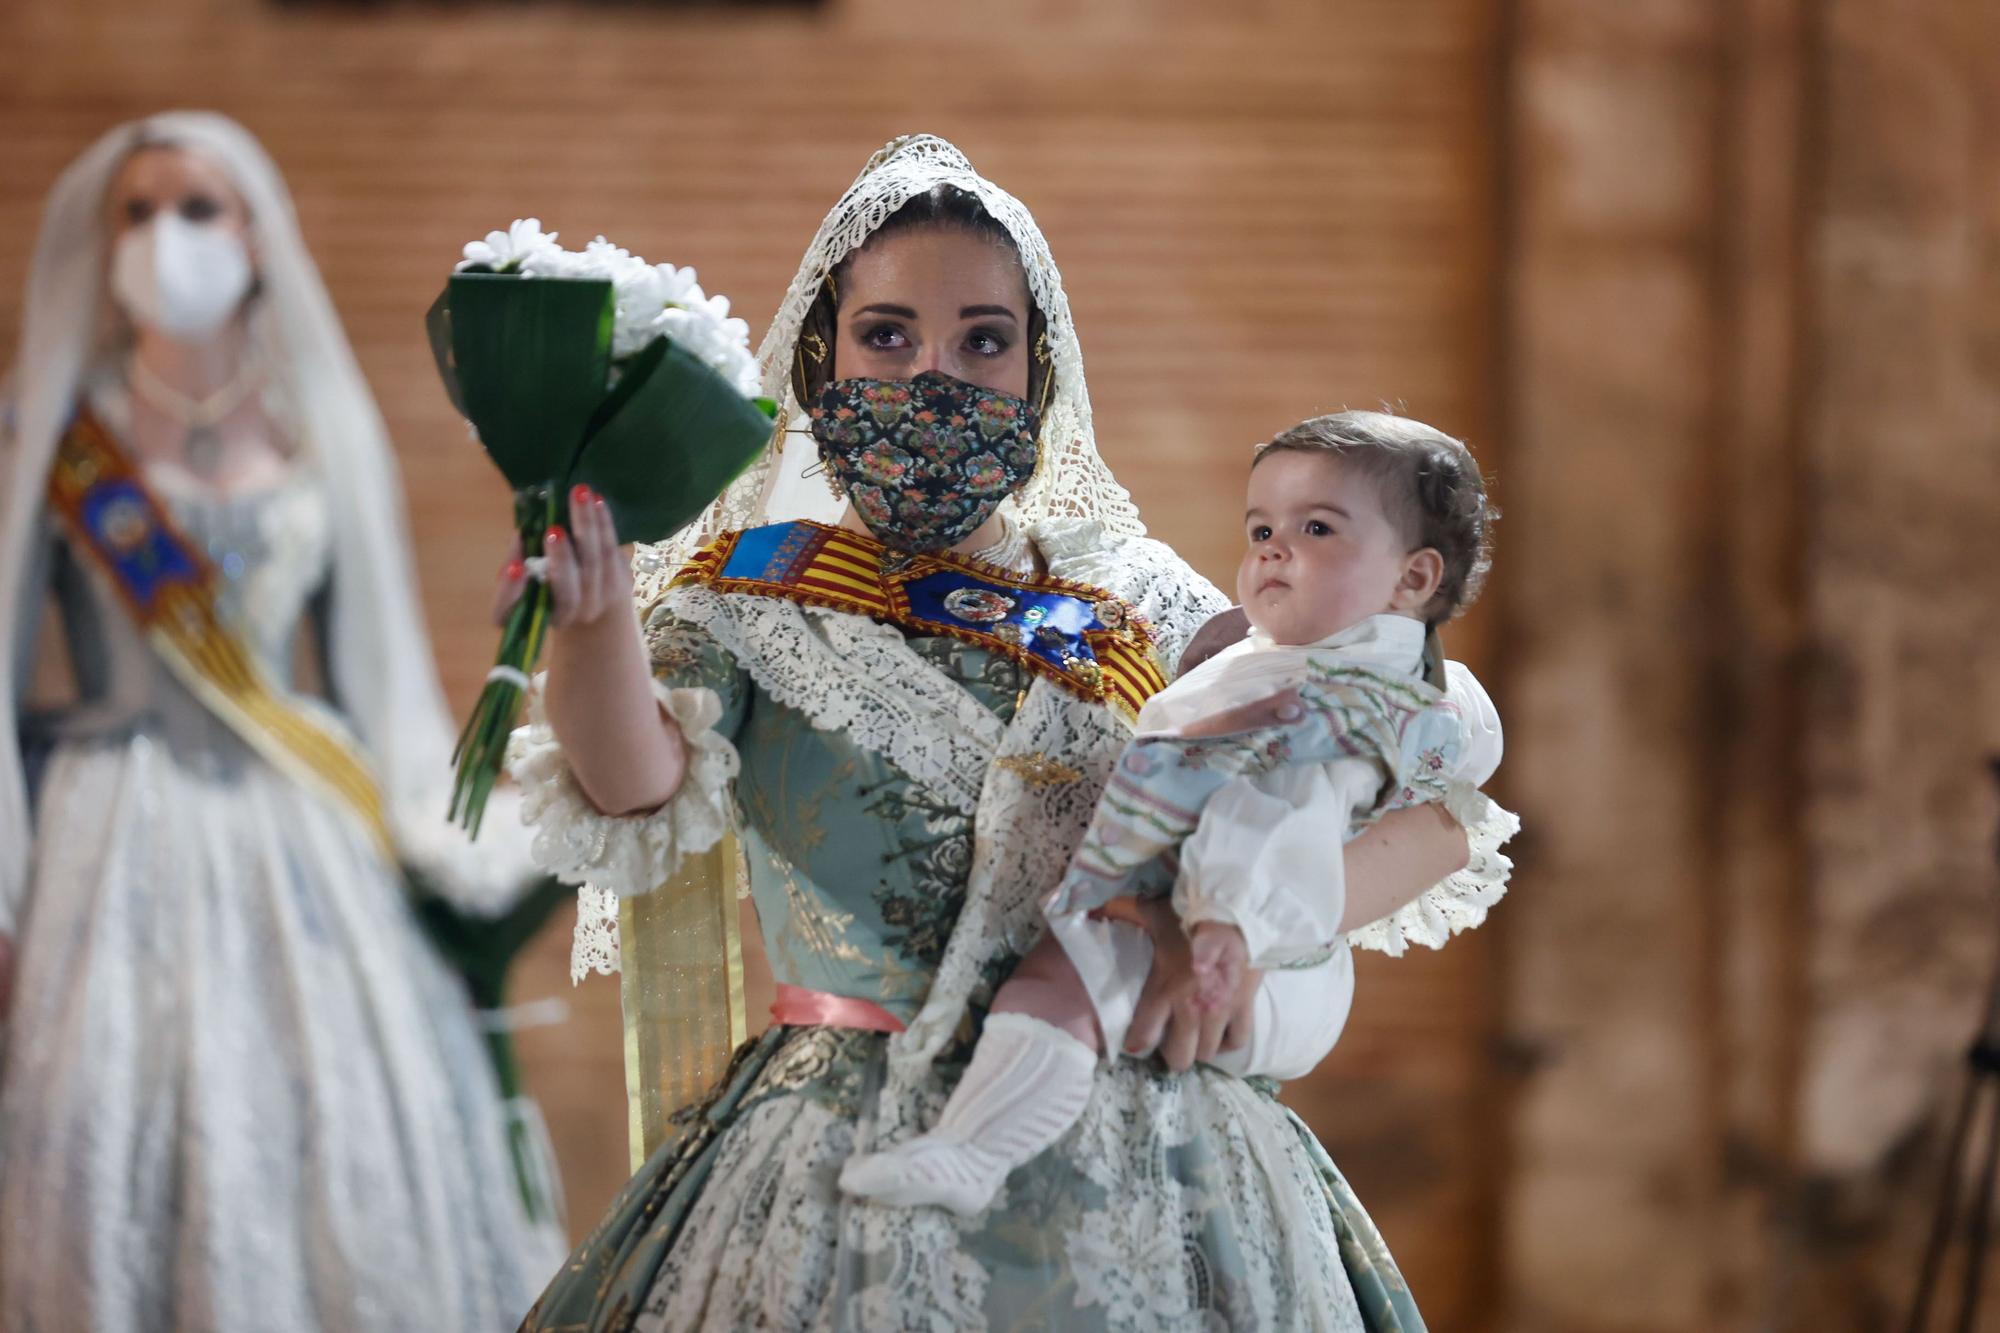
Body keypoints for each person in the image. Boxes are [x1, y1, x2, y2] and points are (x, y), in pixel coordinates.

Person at [508, 134, 1517, 1331]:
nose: (934, 375)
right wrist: (592, 620)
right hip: (833, 1147)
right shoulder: (743, 602)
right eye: (887, 336)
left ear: (1035, 372)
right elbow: (632, 788)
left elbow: (1429, 793)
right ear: (822, 360)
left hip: (1150, 1149)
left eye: (982, 341)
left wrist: (1244, 929)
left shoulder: (1141, 600)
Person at [0, 112, 563, 1331]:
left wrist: (442, 818)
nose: (166, 237)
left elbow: (376, 669)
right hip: (109, 828)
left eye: (198, 207)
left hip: (306, 827)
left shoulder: (319, 432)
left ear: (257, 233)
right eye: (138, 213)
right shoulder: (52, 432)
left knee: (347, 1125)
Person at [839, 410, 1506, 1216]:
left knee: (1058, 981)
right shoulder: (1283, 658)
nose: (1271, 548)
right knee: (1064, 977)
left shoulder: (1320, 701)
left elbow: (1274, 814)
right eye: (1260, 526)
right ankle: (975, 1143)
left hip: (1239, 948)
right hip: (1222, 924)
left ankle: (975, 1152)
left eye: (1317, 527)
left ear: (1413, 578)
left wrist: (1224, 928)